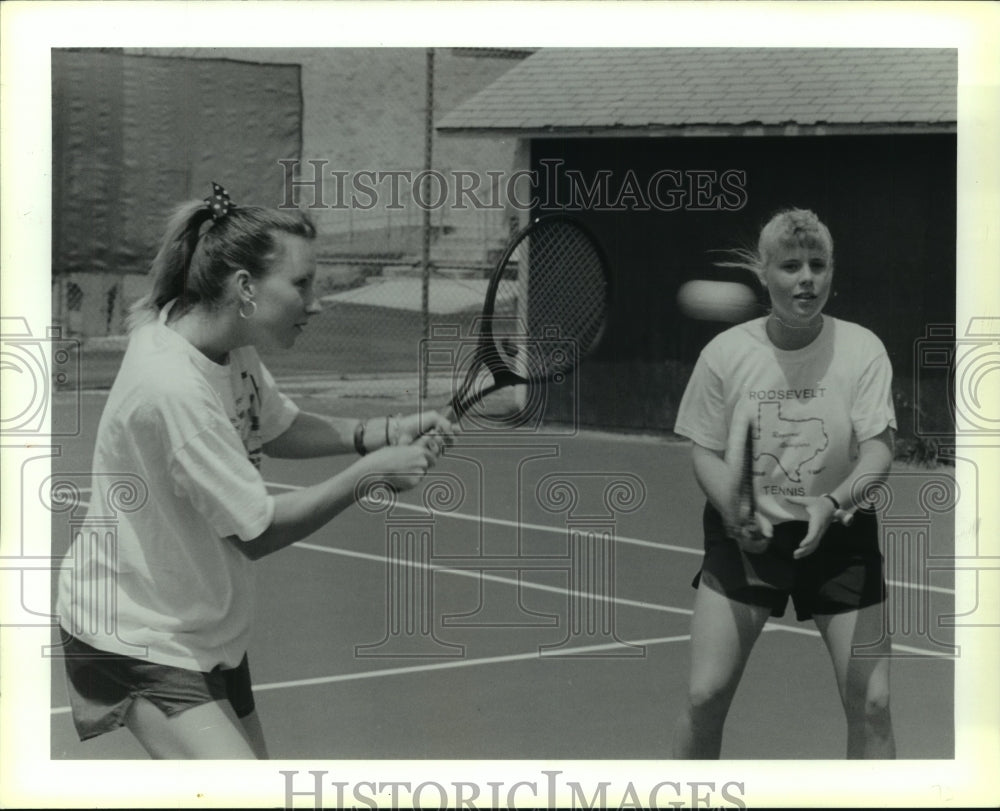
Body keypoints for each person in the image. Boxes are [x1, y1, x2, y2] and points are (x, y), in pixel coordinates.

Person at [55, 183, 453, 759]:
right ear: (244, 287)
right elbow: (259, 529)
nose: (317, 303)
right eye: (301, 284)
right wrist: (369, 474)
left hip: (204, 629)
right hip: (135, 634)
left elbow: (275, 424)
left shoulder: (222, 340)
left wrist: (382, 431)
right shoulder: (173, 388)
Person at [671, 208, 897, 759]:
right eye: (791, 266)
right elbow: (703, 447)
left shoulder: (862, 348)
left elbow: (878, 449)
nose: (807, 279)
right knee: (705, 696)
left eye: (818, 266)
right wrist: (733, 508)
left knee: (873, 702)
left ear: (832, 272)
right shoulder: (726, 355)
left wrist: (834, 501)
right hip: (747, 537)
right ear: (765, 273)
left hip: (839, 535)